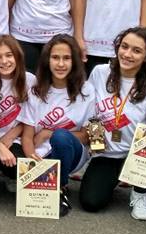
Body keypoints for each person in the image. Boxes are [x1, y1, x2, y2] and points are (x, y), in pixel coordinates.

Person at [78, 27, 146, 220]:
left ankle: (140, 192)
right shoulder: (100, 73)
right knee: (91, 202)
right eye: (124, 46)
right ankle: (114, 177)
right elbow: (92, 113)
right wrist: (97, 146)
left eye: (136, 51)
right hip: (108, 153)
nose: (127, 54)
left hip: (137, 156)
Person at [20, 34, 94, 216]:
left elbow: (89, 136)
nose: (60, 64)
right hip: (42, 153)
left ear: (75, 61)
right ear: (47, 60)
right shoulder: (35, 91)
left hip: (73, 152)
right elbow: (27, 136)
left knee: (60, 137)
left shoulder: (87, 90)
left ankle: (61, 188)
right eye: (55, 57)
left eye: (66, 58)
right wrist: (31, 160)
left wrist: (48, 133)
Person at [0, 34, 35, 194]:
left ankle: (8, 175)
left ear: (17, 56)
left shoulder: (30, 80)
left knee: (18, 163)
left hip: (16, 137)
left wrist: (10, 137)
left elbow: (33, 116)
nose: (4, 61)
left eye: (9, 55)